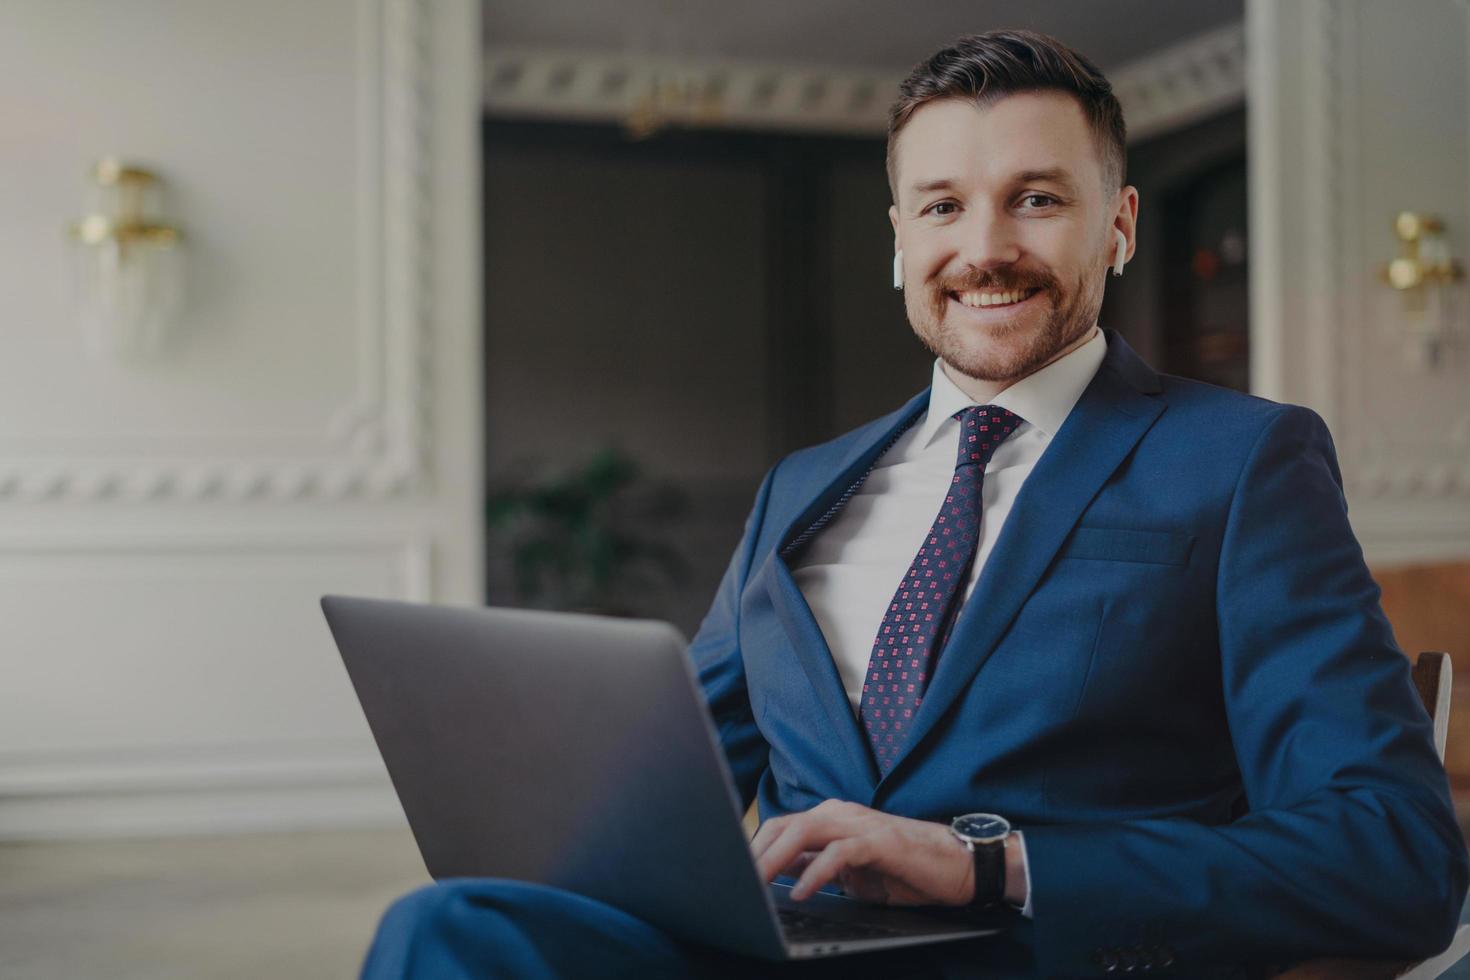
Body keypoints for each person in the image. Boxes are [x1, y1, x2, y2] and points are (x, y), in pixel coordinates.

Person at [362, 29, 1467, 979]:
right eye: (942, 205)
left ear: (1119, 225)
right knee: (448, 925)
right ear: (899, 238)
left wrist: (991, 864)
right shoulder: (800, 488)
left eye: (1037, 200)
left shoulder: (1242, 460)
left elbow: (1394, 851)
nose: (985, 249)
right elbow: (665, 797)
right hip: (786, 947)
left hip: (1037, 951)